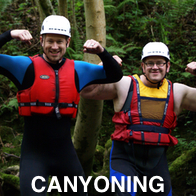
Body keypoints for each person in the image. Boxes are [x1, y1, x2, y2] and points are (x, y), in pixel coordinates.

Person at [0, 15, 123, 196]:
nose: (55, 46)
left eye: (60, 41)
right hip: (34, 155)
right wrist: (10, 34)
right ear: (41, 41)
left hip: (65, 155)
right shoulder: (24, 66)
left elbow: (115, 74)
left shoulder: (78, 69)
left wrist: (101, 52)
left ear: (68, 42)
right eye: (50, 41)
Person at [80, 42, 196, 196]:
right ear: (143, 65)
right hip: (125, 158)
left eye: (160, 62)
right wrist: (103, 67)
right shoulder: (124, 84)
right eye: (150, 63)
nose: (155, 67)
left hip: (156, 162)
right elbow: (86, 90)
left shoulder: (178, 91)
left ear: (167, 66)